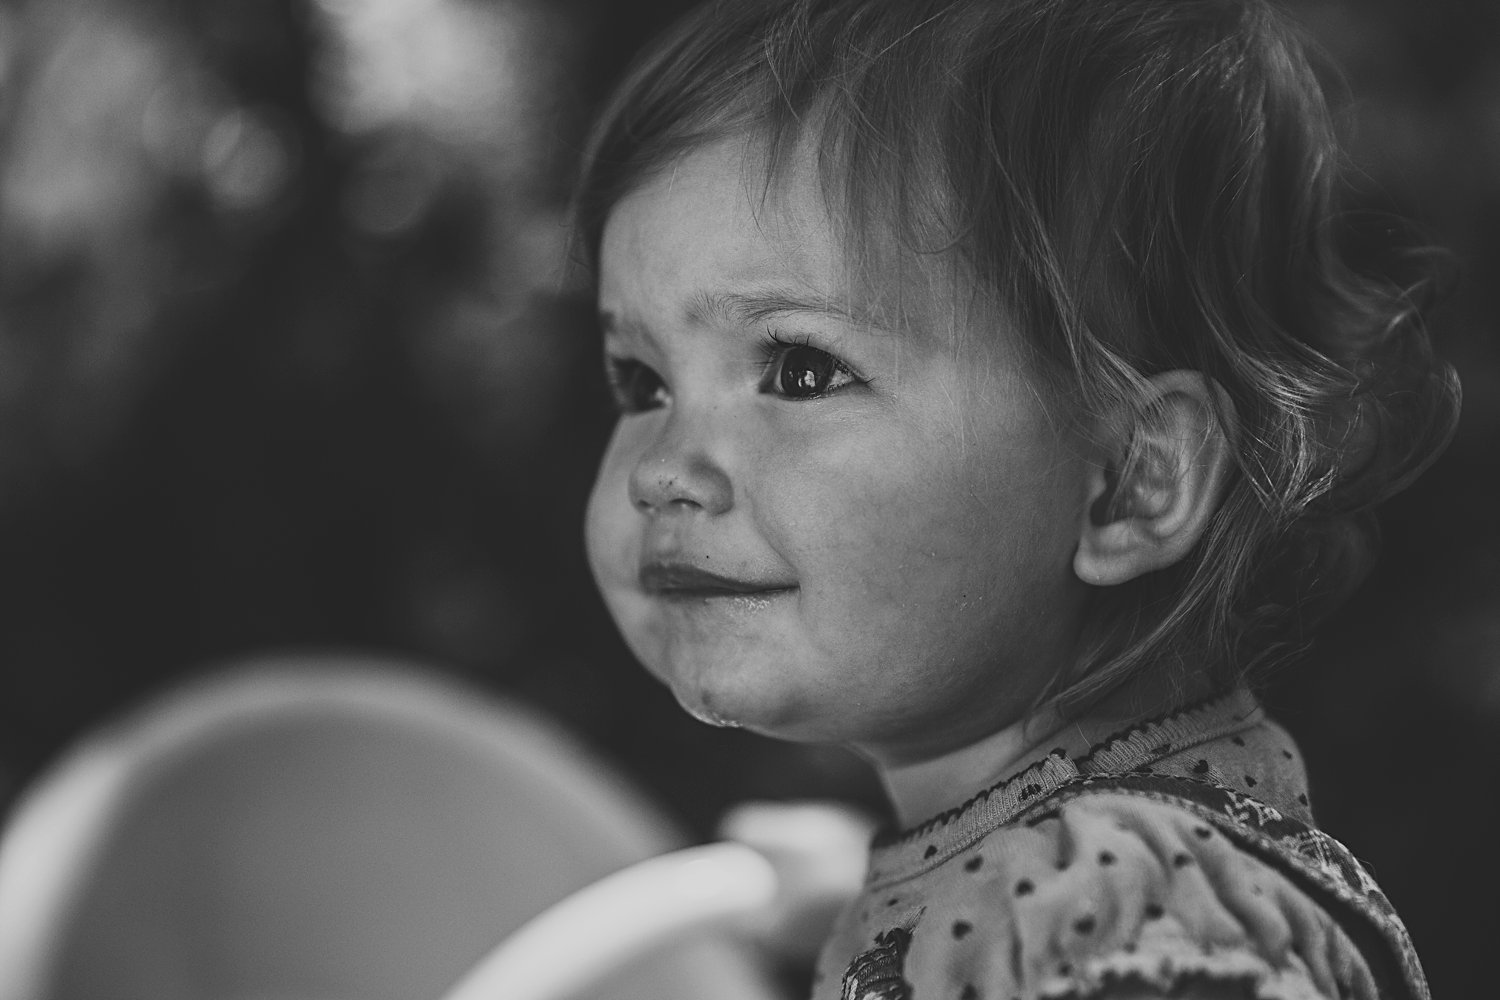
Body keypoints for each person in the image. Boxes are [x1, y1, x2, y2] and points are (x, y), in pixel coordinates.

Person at [572, 0, 1458, 997]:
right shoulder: (1048, 881)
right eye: (642, 382)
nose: (664, 468)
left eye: (801, 369)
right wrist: (862, 902)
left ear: (1129, 481)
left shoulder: (1124, 923)